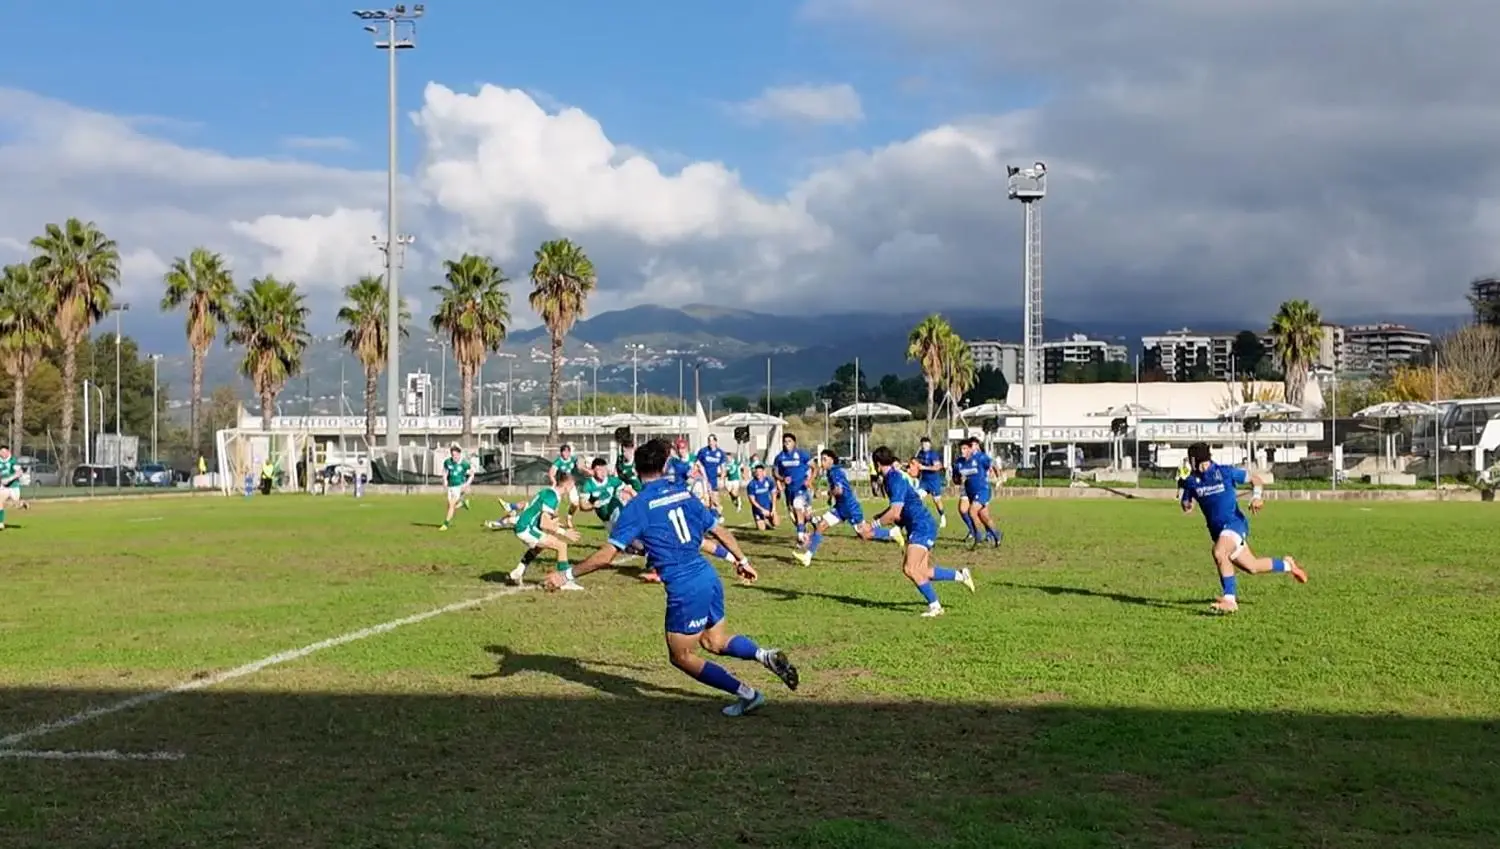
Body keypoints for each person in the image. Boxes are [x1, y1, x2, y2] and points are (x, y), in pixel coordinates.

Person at [545, 438, 799, 716]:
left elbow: (606, 557)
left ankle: (747, 694)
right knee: (714, 641)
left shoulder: (639, 506)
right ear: (665, 465)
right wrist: (742, 560)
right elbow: (718, 531)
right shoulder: (682, 493)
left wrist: (565, 574)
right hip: (708, 576)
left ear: (635, 470)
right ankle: (764, 655)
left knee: (680, 656)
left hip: (685, 587)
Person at [1179, 442, 1307, 614]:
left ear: (1196, 460)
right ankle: (1288, 565)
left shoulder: (1224, 472)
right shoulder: (1191, 481)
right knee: (1252, 567)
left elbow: (1256, 479)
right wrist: (1182, 487)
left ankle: (1230, 600)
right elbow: (1187, 507)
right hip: (1219, 532)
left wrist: (1256, 497)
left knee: (1219, 552)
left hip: (1234, 524)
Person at [870, 446, 974, 617]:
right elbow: (897, 508)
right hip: (920, 524)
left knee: (910, 568)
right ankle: (961, 575)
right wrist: (881, 516)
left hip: (921, 525)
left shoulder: (893, 479)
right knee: (923, 571)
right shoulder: (892, 478)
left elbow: (895, 513)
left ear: (878, 464)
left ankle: (935, 606)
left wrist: (874, 525)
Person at [794, 450, 900, 565]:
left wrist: (826, 493)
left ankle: (892, 532)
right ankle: (807, 557)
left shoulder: (836, 472)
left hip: (850, 508)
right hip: (840, 508)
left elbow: (839, 490)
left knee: (864, 534)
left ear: (831, 460)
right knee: (821, 526)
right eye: (821, 459)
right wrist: (831, 498)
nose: (822, 462)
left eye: (824, 459)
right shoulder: (831, 472)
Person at [507, 473, 584, 590]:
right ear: (567, 485)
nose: (573, 489)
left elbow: (543, 517)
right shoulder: (552, 496)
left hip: (525, 526)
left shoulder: (550, 492)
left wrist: (555, 524)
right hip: (527, 528)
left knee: (539, 547)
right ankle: (564, 581)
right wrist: (563, 532)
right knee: (561, 545)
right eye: (573, 485)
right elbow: (544, 522)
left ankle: (517, 573)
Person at [953, 439, 1001, 548]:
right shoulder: (959, 463)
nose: (962, 451)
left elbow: (992, 464)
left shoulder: (980, 458)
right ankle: (997, 534)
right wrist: (959, 480)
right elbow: (956, 480)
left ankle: (978, 536)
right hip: (970, 492)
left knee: (972, 511)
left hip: (983, 490)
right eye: (961, 449)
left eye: (965, 448)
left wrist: (998, 477)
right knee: (984, 516)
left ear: (970, 449)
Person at [771, 433, 814, 541]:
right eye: (785, 442)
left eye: (789, 441)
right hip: (789, 490)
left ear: (794, 443)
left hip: (801, 488)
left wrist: (809, 480)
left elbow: (815, 468)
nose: (786, 444)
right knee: (793, 515)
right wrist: (781, 480)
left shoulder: (802, 454)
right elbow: (775, 472)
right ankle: (808, 526)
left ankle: (800, 536)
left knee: (797, 505)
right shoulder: (780, 457)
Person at [913, 437, 949, 528]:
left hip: (934, 481)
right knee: (917, 497)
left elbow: (937, 467)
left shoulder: (933, 455)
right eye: (922, 444)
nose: (924, 446)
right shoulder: (920, 454)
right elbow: (916, 465)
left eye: (926, 444)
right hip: (924, 482)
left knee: (937, 501)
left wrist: (924, 468)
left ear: (929, 445)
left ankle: (942, 517)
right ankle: (919, 517)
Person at [439, 445, 475, 531]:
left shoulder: (464, 464)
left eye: (455, 455)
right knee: (450, 506)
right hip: (450, 487)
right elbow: (444, 471)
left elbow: (472, 474)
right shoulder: (447, 462)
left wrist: (466, 484)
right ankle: (462, 504)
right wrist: (445, 480)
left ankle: (445, 524)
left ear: (459, 454)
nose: (454, 457)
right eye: (452, 455)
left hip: (459, 487)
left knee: (451, 504)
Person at [548, 444, 581, 529]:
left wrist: (582, 463)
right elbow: (551, 473)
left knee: (575, 503)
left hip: (570, 484)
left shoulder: (573, 460)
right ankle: (553, 522)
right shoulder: (558, 461)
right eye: (563, 451)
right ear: (561, 453)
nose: (565, 453)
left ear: (570, 452)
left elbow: (581, 464)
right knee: (554, 504)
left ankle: (569, 518)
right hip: (560, 485)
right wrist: (554, 481)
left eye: (567, 451)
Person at [694, 434, 727, 514]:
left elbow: (723, 468)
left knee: (715, 501)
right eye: (709, 440)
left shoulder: (720, 453)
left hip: (714, 480)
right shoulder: (703, 451)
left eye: (712, 440)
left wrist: (722, 479)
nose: (711, 442)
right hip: (704, 479)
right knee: (707, 502)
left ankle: (718, 513)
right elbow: (697, 464)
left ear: (716, 441)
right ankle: (713, 517)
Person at [746, 464, 778, 530]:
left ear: (763, 472)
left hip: (768, 506)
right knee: (761, 529)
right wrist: (762, 510)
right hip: (758, 509)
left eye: (760, 472)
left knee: (776, 523)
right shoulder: (751, 484)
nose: (758, 474)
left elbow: (774, 494)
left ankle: (767, 519)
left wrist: (773, 508)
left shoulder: (769, 481)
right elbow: (752, 500)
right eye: (756, 472)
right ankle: (764, 521)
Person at [0, 446, 21, 529]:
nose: (3, 453)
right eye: (1, 452)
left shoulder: (13, 461)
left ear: (8, 452)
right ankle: (1, 523)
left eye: (4, 452)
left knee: (17, 505)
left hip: (14, 486)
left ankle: (23, 503)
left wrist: (9, 479)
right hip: (4, 487)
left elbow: (19, 473)